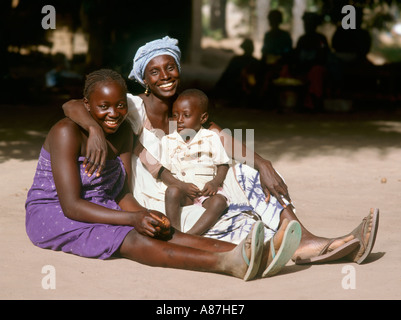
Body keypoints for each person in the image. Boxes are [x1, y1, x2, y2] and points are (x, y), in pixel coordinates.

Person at [62, 36, 379, 265]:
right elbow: (72, 104)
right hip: (156, 192)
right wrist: (92, 129)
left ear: (179, 70)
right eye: (155, 71)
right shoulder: (133, 106)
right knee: (232, 196)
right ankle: (303, 244)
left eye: (170, 68)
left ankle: (304, 239)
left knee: (246, 168)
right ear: (143, 79)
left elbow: (222, 139)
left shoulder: (184, 110)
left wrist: (263, 162)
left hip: (194, 183)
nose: (165, 76)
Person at [26, 68, 305, 281]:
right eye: (103, 107)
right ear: (86, 105)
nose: (114, 113)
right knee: (133, 239)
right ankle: (228, 263)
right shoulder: (66, 132)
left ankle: (249, 251)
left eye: (120, 105)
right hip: (56, 214)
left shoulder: (123, 132)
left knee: (162, 230)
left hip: (102, 206)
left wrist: (144, 214)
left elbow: (119, 190)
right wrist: (132, 219)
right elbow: (71, 206)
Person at [160, 89, 230, 235]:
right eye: (175, 115)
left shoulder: (210, 137)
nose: (179, 120)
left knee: (220, 202)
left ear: (203, 118)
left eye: (186, 115)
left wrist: (215, 182)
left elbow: (223, 164)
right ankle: (175, 233)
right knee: (171, 191)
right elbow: (163, 173)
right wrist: (181, 186)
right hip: (183, 194)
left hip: (206, 193)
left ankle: (192, 235)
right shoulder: (168, 140)